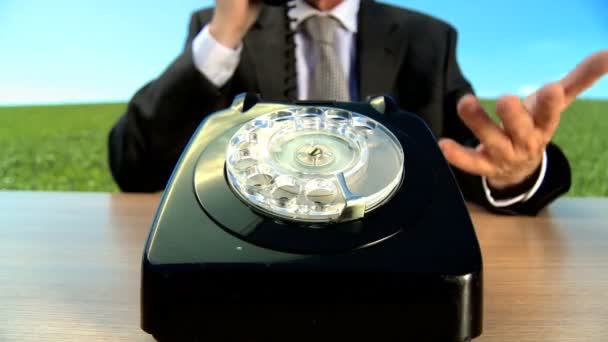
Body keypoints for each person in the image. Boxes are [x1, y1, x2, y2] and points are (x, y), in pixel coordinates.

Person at [108, 0, 608, 215]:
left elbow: (471, 152)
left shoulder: (426, 40)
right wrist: (223, 35)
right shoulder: (220, 25)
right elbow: (133, 165)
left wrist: (513, 171)